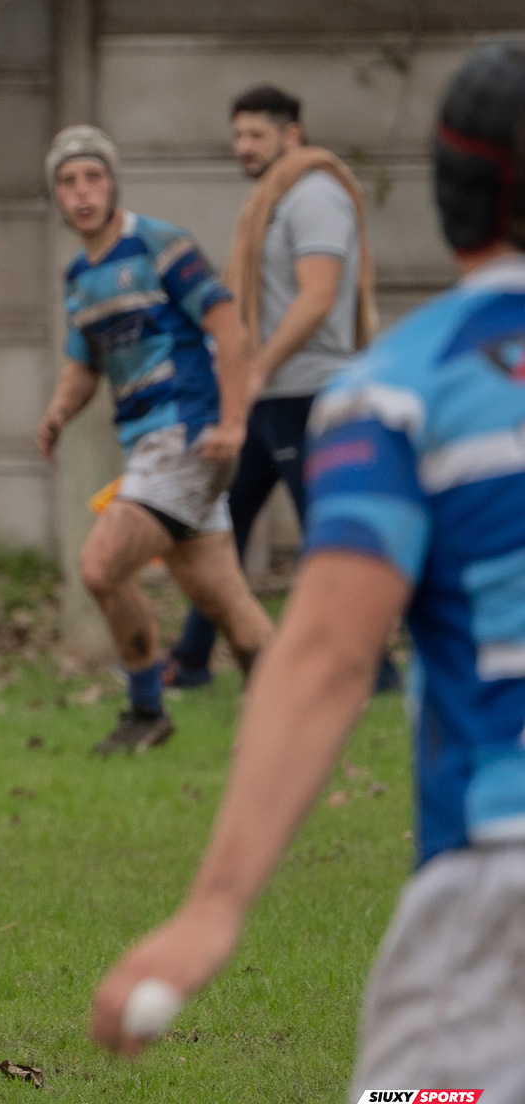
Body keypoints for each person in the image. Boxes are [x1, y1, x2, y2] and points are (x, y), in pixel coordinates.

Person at [90, 42, 525, 1104]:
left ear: (450, 189)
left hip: (498, 889)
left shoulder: (400, 393)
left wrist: (214, 907)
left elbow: (330, 652)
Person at [35, 125, 275, 755]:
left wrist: (231, 421)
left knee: (99, 566)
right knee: (225, 600)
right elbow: (85, 362)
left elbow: (229, 327)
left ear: (112, 183)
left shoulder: (161, 245)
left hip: (187, 436)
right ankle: (287, 725)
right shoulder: (80, 277)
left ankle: (146, 711)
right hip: (152, 445)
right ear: (56, 195)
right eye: (68, 181)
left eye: (93, 177)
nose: (82, 192)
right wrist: (59, 412)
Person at [164, 85, 395, 692]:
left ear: (291, 135)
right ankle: (189, 661)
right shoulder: (274, 198)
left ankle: (378, 668)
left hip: (306, 394)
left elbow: (318, 297)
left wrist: (258, 364)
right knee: (223, 527)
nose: (243, 147)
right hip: (269, 396)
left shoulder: (315, 196)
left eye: (256, 135)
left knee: (330, 534)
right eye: (238, 135)